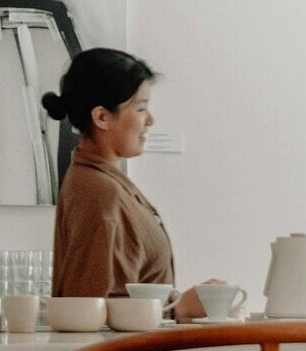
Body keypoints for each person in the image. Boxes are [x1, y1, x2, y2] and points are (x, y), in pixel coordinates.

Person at [43, 49, 205, 319]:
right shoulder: (100, 192)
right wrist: (181, 307)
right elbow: (93, 311)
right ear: (102, 117)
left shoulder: (105, 182)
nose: (150, 120)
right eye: (141, 108)